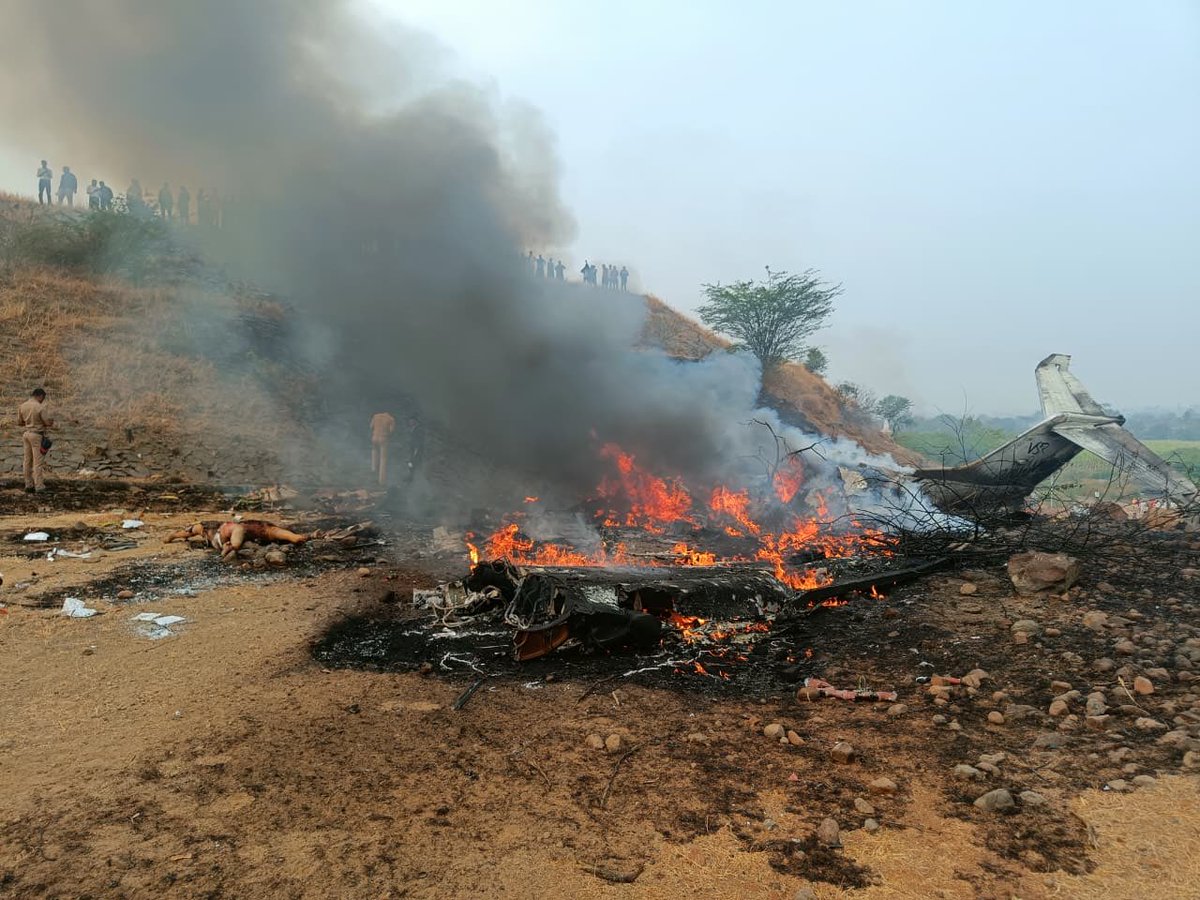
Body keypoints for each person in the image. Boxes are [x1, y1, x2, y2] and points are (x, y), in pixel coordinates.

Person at [17, 387, 54, 494]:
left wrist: (30, 423)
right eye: (43, 398)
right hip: (36, 435)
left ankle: (28, 485)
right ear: (40, 396)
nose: (43, 400)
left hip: (26, 434)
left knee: (27, 461)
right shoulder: (40, 407)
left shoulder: (22, 406)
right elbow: (47, 422)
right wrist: (50, 422)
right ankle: (39, 486)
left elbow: (19, 423)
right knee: (38, 463)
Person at [370, 411, 396, 486]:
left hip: (374, 437)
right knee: (383, 459)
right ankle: (382, 480)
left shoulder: (375, 416)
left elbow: (371, 426)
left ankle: (373, 471)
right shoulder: (391, 419)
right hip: (383, 438)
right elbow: (391, 431)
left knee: (374, 455)